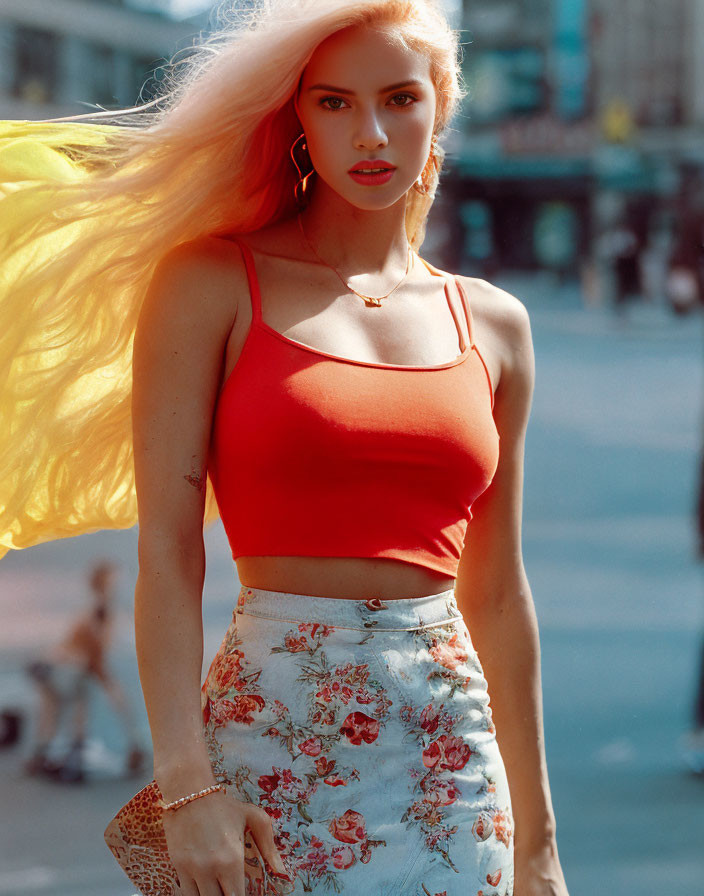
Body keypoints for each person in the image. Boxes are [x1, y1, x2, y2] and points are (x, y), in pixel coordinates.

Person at [0, 1, 568, 893]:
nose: (371, 132)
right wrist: (186, 786)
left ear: (440, 105)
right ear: (296, 120)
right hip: (264, 754)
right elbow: (168, 554)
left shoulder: (496, 324)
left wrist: (537, 845)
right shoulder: (212, 282)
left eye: (399, 98)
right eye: (334, 102)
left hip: (452, 769)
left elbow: (498, 594)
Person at [23, 559, 146, 783]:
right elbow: (95, 656)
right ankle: (69, 758)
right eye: (113, 582)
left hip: (57, 668)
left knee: (62, 708)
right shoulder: (100, 612)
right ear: (103, 585)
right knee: (74, 704)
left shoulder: (99, 611)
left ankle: (45, 757)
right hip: (64, 668)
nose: (118, 587)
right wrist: (112, 689)